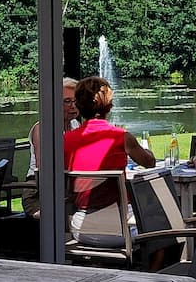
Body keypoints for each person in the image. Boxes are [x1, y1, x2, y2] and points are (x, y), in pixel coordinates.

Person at [62, 76, 156, 235]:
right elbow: (150, 163)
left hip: (82, 227)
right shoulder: (122, 137)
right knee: (162, 222)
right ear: (109, 105)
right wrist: (148, 151)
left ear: (78, 104)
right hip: (120, 227)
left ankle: (97, 261)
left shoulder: (65, 140)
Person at [29, 78, 80, 175]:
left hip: (68, 177)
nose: (73, 106)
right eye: (67, 101)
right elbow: (43, 168)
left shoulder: (75, 124)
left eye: (76, 101)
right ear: (54, 103)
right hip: (39, 184)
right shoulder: (42, 129)